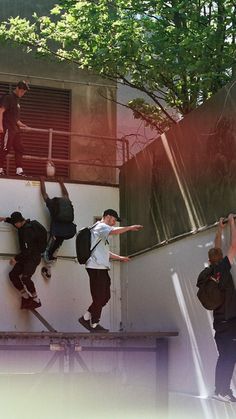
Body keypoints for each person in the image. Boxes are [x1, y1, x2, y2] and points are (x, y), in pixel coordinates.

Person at [79, 209, 143, 333]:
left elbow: (104, 252)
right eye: (113, 220)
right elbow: (114, 231)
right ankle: (94, 323)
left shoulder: (101, 232)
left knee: (105, 297)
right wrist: (129, 228)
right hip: (95, 267)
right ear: (107, 217)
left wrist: (120, 258)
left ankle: (86, 318)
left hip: (101, 267)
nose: (113, 223)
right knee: (99, 297)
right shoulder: (101, 226)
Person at [197, 214, 236, 403]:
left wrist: (221, 228)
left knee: (225, 356)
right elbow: (233, 247)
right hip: (229, 322)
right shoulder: (224, 268)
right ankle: (223, 391)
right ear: (220, 259)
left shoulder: (210, 271)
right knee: (230, 356)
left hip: (220, 322)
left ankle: (219, 391)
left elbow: (217, 246)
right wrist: (232, 223)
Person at [0, 212, 42, 309]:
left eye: (15, 224)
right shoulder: (20, 226)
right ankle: (26, 296)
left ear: (20, 221)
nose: (15, 226)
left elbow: (27, 250)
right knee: (12, 275)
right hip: (25, 257)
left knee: (25, 278)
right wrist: (4, 219)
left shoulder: (27, 231)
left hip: (33, 258)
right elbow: (13, 221)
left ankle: (36, 299)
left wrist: (15, 258)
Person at [40, 176, 76, 279]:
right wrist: (61, 182)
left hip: (56, 231)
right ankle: (50, 266)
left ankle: (48, 269)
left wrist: (42, 181)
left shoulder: (52, 204)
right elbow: (66, 194)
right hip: (67, 231)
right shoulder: (67, 201)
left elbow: (44, 194)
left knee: (49, 249)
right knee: (56, 247)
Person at [0, 80, 30, 176]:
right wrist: (0, 126)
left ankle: (19, 171)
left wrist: (23, 125)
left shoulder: (17, 101)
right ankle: (0, 169)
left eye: (24, 92)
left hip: (15, 129)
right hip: (7, 128)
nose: (23, 93)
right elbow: (1, 111)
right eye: (22, 91)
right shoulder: (8, 97)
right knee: (5, 148)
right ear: (17, 88)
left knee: (19, 148)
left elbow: (16, 119)